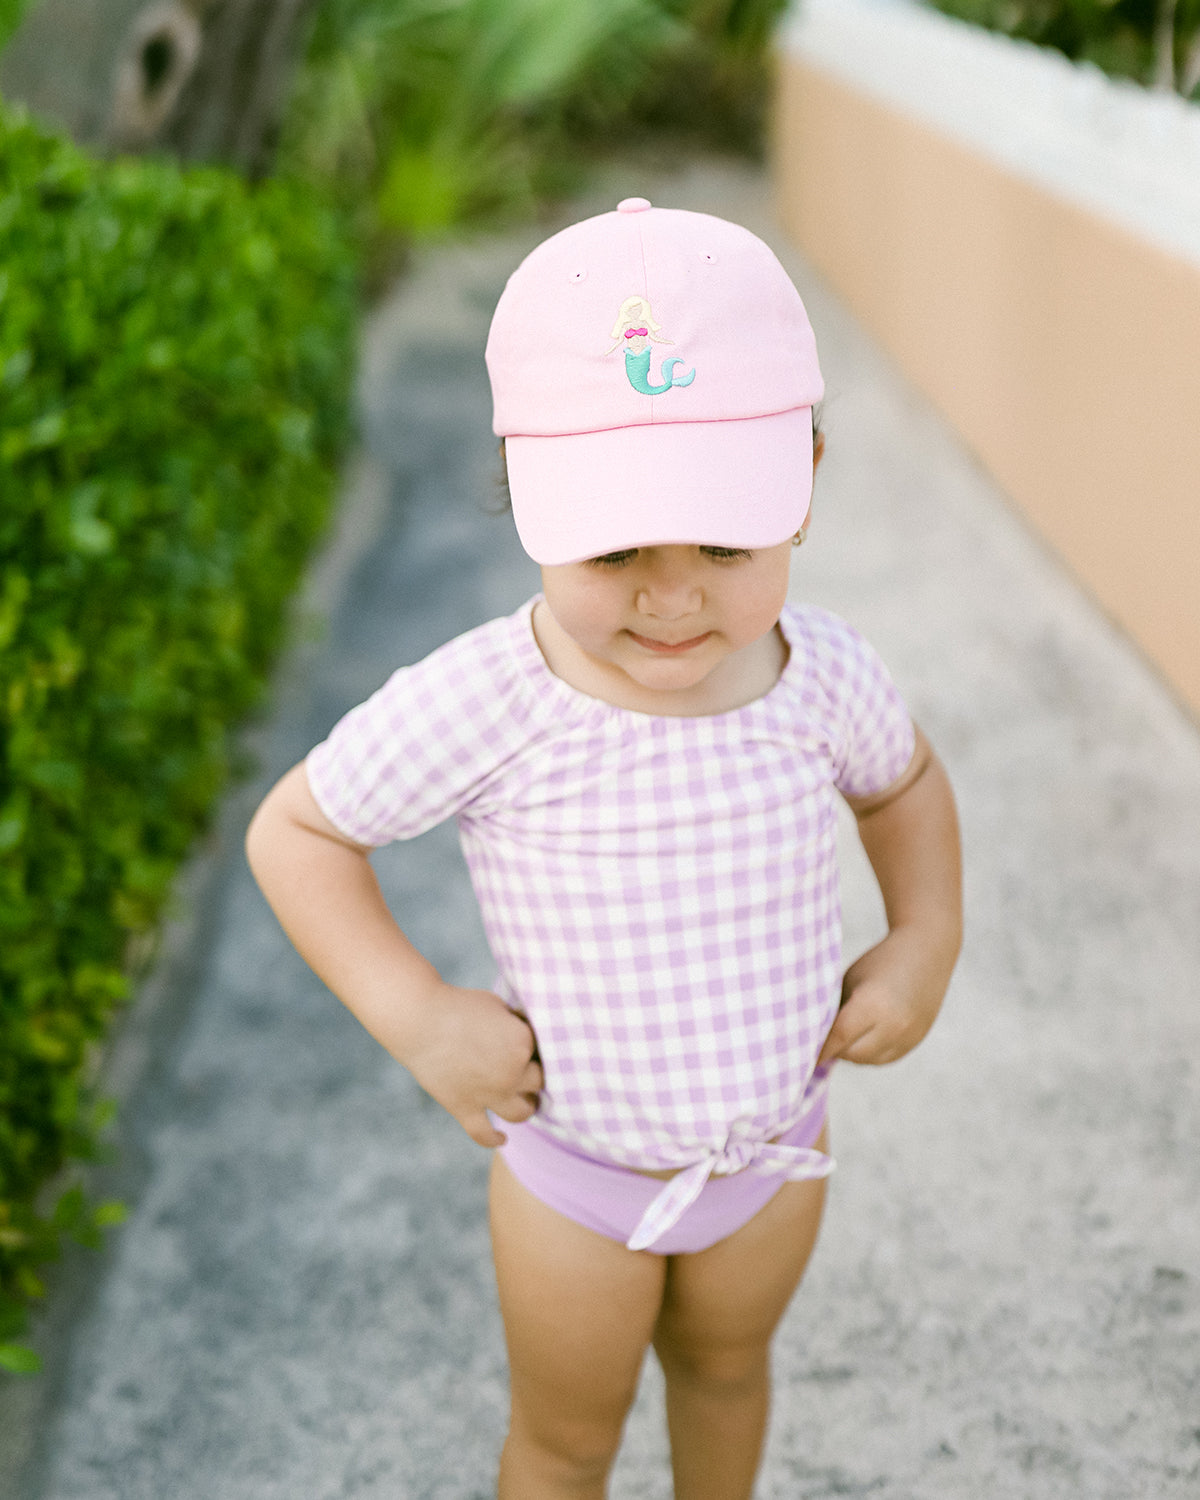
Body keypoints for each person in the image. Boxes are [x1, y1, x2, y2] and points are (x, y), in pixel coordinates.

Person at [245, 197, 962, 1500]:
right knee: (568, 1440)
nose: (674, 595)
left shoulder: (822, 677)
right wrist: (419, 1017)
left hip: (773, 1149)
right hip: (577, 1177)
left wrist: (924, 939)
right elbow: (295, 829)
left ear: (800, 485)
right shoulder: (492, 699)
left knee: (731, 1377)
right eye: (618, 545)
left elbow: (905, 784)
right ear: (525, 496)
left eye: (726, 543)